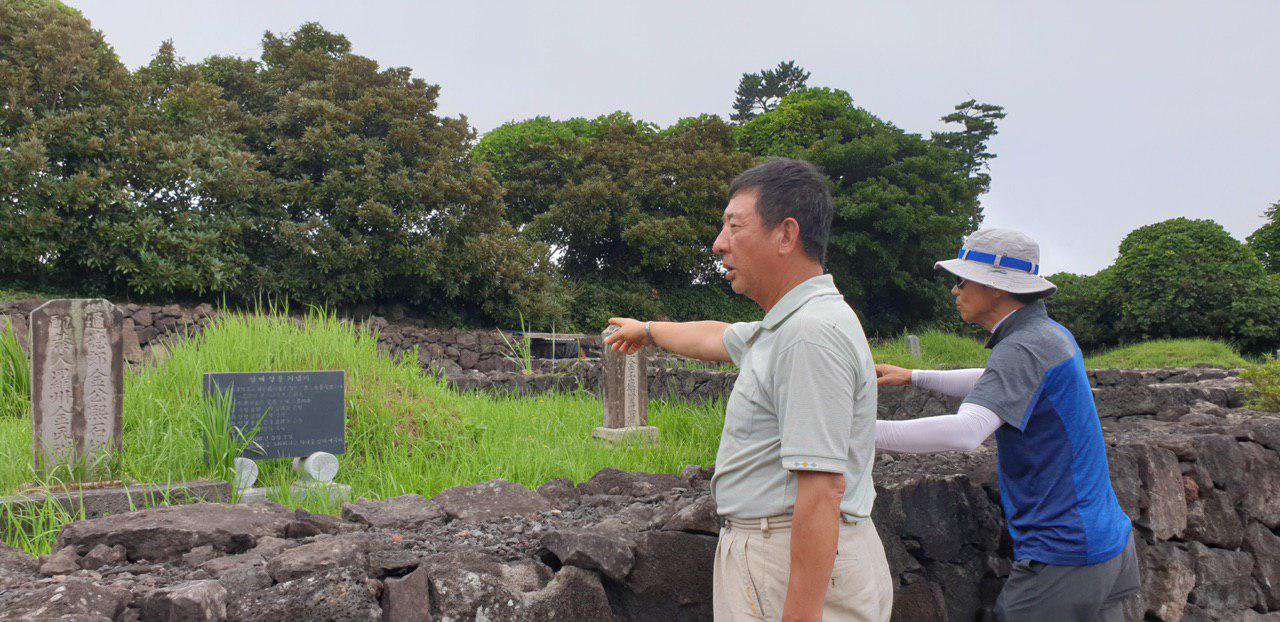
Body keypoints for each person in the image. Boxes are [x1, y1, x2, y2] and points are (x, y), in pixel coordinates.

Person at [606, 158, 892, 621]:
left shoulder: (807, 335)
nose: (719, 244)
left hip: (782, 557)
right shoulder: (785, 326)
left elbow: (822, 491)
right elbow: (716, 337)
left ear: (786, 235)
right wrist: (650, 329)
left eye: (734, 226)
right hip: (774, 549)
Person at [874, 228, 1140, 621]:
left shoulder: (1023, 346)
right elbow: (994, 380)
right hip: (1107, 544)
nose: (955, 290)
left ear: (995, 287)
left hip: (1063, 554)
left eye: (962, 280)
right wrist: (913, 375)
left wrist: (854, 429)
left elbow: (966, 433)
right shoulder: (1047, 334)